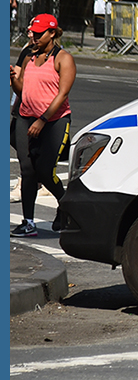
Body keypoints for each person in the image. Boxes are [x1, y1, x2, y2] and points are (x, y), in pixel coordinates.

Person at [10, 13, 76, 237]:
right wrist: (14, 79)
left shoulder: (63, 58)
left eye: (39, 34)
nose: (34, 37)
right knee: (28, 170)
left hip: (54, 121)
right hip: (26, 117)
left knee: (46, 171)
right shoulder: (28, 56)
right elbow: (22, 91)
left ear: (51, 33)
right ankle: (28, 222)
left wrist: (43, 119)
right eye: (33, 33)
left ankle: (66, 205)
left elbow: (62, 94)